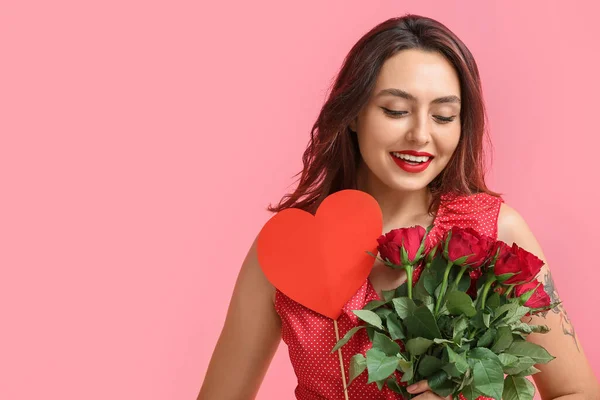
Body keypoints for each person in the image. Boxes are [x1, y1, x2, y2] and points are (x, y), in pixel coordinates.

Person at [198, 14, 599, 400]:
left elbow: (578, 391)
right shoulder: (286, 248)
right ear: (354, 113)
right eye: (395, 110)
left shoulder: (494, 233)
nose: (420, 134)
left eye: (444, 116)